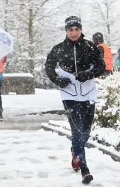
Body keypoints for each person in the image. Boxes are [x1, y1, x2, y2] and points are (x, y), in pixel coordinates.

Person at [45, 16, 105, 184]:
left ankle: (75, 149)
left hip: (88, 93)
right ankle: (84, 169)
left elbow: (101, 67)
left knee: (85, 132)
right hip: (69, 94)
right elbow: (48, 66)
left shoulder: (90, 47)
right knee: (76, 131)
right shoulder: (58, 49)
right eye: (70, 30)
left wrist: (88, 74)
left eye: (76, 29)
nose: (73, 33)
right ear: (66, 31)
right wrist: (58, 80)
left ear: (80, 30)